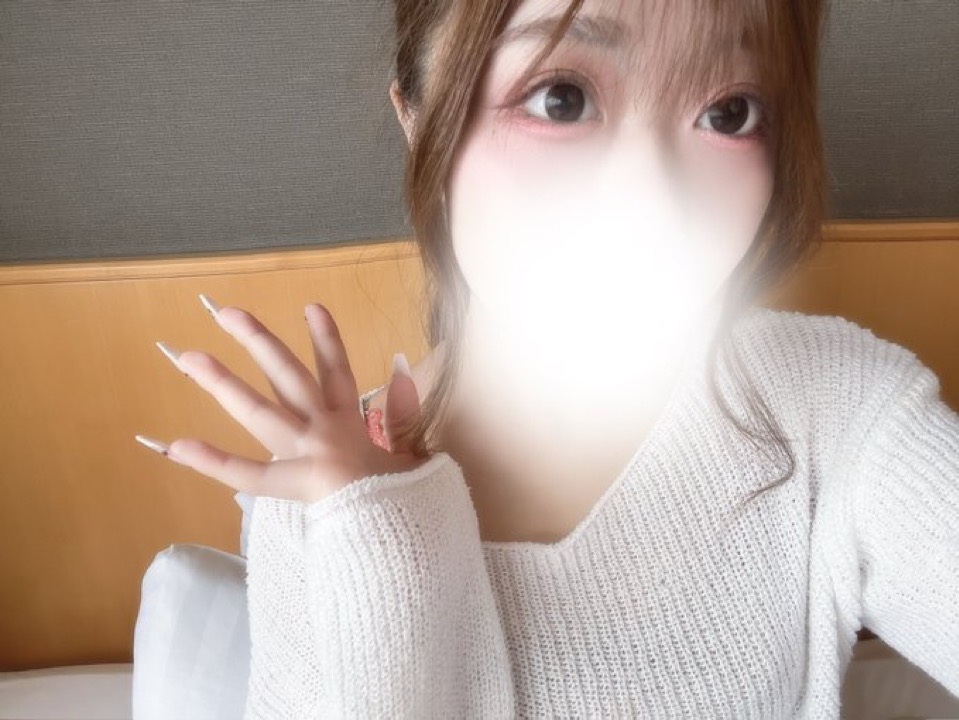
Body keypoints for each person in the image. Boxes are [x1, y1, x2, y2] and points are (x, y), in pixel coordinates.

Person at [135, 0, 959, 716]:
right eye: (561, 99)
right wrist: (377, 547)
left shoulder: (833, 409)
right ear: (418, 119)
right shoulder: (318, 499)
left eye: (729, 112)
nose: (648, 202)